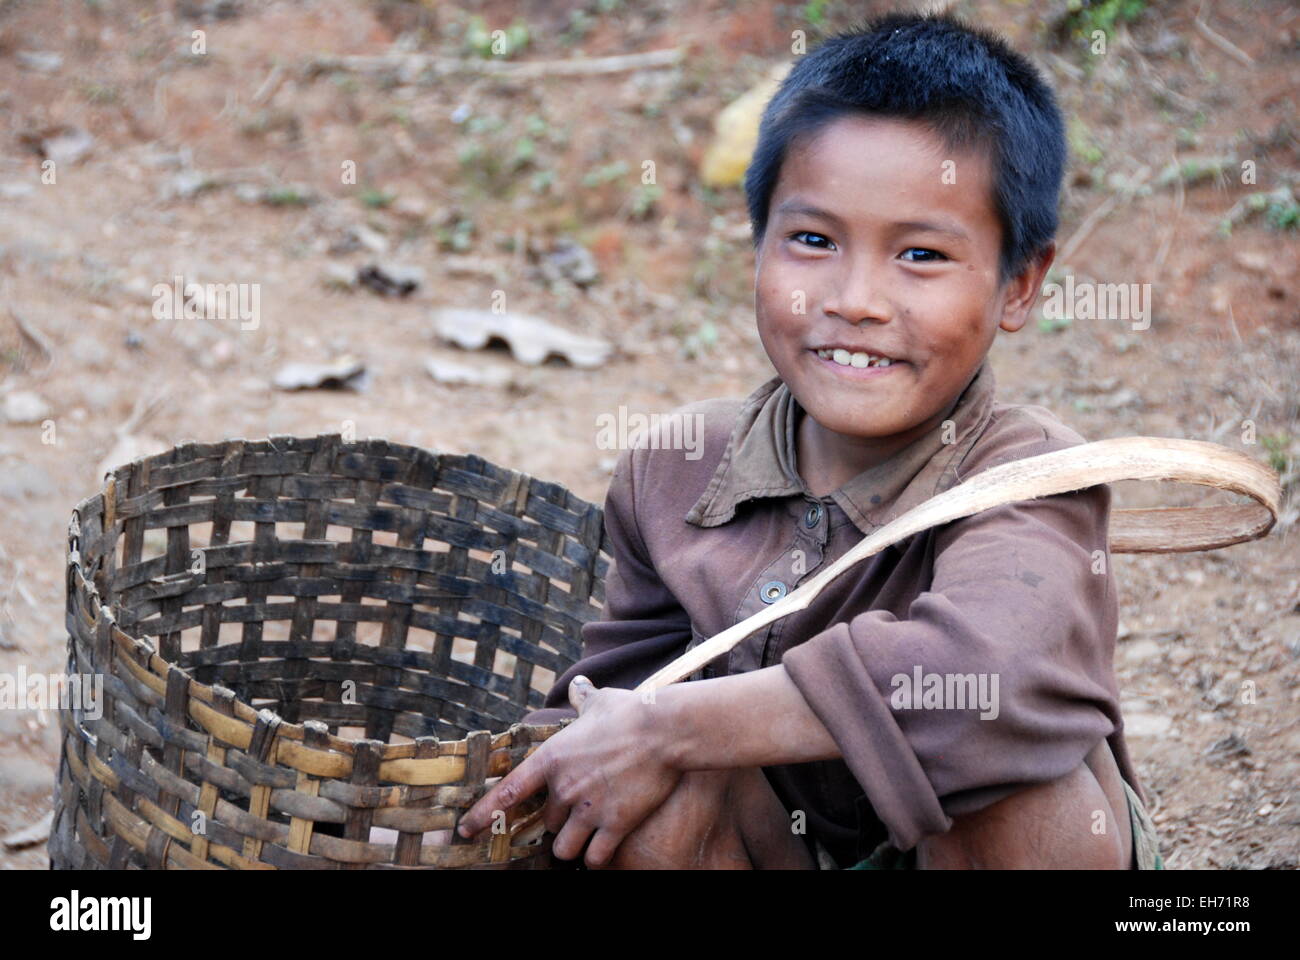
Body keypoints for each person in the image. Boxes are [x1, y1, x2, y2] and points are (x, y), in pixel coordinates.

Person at [458, 9, 1163, 870]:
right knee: (643, 791)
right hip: (781, 846)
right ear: (757, 247)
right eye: (813, 241)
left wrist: (672, 726)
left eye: (921, 256)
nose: (857, 298)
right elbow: (609, 706)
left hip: (980, 847)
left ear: (1019, 286)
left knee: (1023, 803)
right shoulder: (676, 468)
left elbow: (986, 684)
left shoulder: (1030, 475)